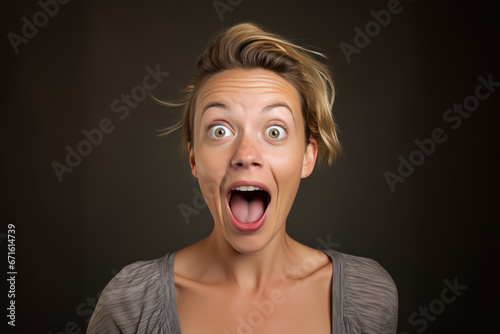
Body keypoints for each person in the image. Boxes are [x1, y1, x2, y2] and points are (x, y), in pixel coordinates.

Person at [87, 22, 398, 334]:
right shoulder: (131, 303)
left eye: (274, 131)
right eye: (220, 130)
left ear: (308, 156)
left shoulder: (366, 295)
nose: (246, 154)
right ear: (194, 158)